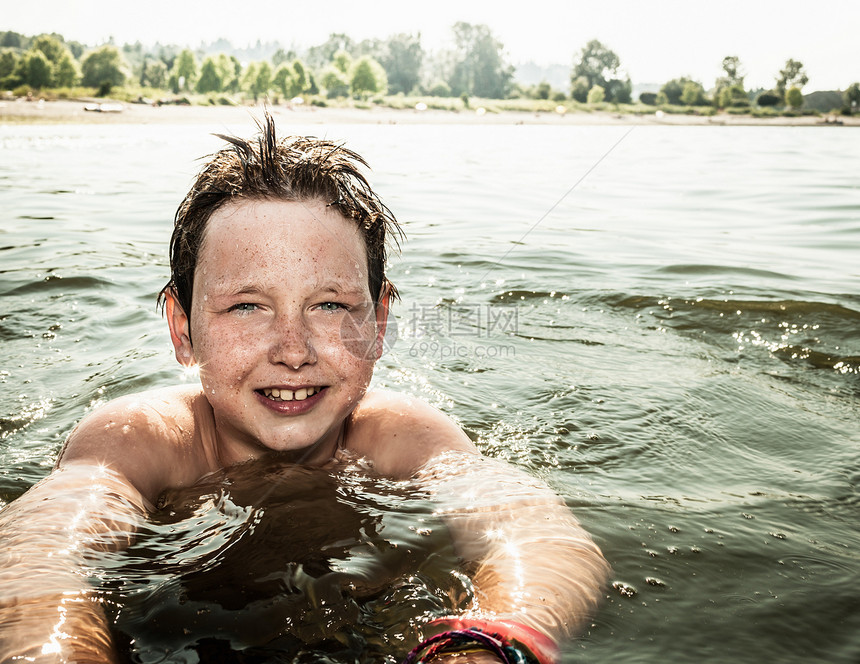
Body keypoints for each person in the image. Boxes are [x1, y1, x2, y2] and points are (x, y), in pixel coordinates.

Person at [0, 116, 609, 664]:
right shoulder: (139, 444)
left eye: (329, 305)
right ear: (182, 330)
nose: (293, 350)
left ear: (379, 324)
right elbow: (41, 551)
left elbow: (541, 537)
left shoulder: (401, 436)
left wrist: (487, 644)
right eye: (245, 307)